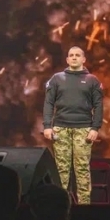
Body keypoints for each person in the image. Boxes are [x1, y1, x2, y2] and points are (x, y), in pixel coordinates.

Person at [43, 46, 104, 204]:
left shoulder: (92, 80)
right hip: (60, 129)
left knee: (82, 169)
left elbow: (98, 105)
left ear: (84, 59)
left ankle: (84, 206)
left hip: (83, 130)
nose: (74, 57)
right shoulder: (57, 79)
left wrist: (95, 128)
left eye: (77, 55)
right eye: (71, 55)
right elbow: (48, 103)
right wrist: (47, 126)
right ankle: (60, 205)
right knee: (61, 170)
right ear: (67, 59)